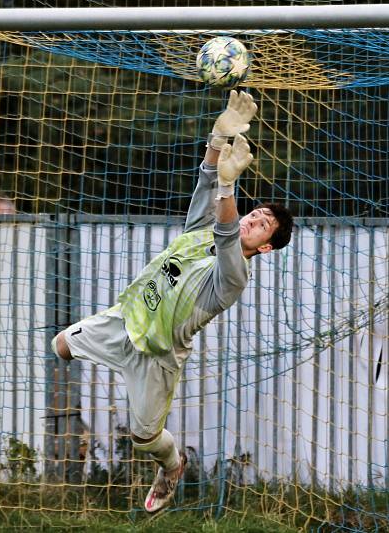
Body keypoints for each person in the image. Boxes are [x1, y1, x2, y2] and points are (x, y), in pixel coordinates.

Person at [50, 91, 293, 513]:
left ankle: (172, 464)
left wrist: (230, 184)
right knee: (61, 346)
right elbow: (206, 180)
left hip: (157, 355)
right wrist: (218, 138)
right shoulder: (203, 224)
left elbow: (226, 231)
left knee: (145, 439)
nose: (255, 219)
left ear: (267, 248)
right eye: (257, 213)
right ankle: (164, 454)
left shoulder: (234, 276)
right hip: (123, 321)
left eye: (264, 225)